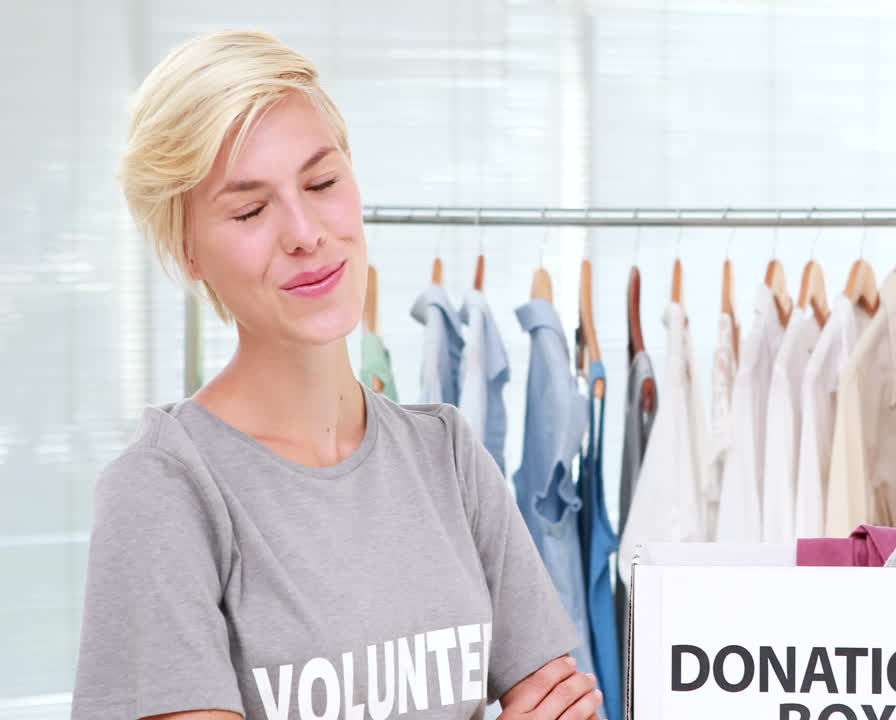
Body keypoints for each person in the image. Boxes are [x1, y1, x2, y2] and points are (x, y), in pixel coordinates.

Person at [70, 29, 602, 720]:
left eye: (322, 182)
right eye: (251, 208)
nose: (305, 231)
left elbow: (566, 704)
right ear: (188, 249)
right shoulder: (165, 493)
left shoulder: (447, 455)